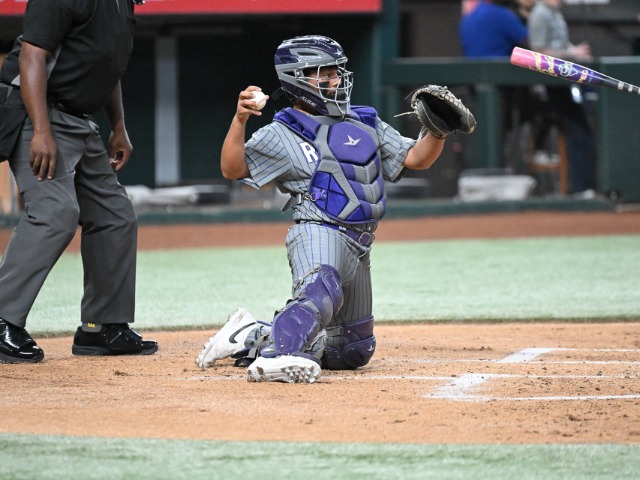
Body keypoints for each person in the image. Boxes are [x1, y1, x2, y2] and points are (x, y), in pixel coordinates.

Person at [196, 35, 473, 383]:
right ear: (297, 78)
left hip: (360, 245)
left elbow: (417, 158)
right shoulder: (282, 131)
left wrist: (438, 131)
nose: (335, 80)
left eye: (337, 72)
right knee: (319, 291)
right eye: (324, 73)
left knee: (351, 350)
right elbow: (232, 168)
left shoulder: (364, 121)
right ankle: (277, 356)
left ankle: (250, 335)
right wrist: (240, 120)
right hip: (318, 230)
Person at [0, 0, 157, 364]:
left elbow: (106, 66)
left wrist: (118, 126)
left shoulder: (122, 4)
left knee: (115, 215)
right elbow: (32, 56)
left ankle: (100, 327)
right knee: (55, 212)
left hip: (79, 120)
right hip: (36, 112)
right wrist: (41, 130)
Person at [528, 0, 597, 195]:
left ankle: (585, 186)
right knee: (578, 131)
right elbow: (538, 51)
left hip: (566, 82)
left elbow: (561, 43)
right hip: (549, 87)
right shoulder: (540, 14)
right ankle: (580, 188)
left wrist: (576, 51)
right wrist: (572, 53)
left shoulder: (555, 13)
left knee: (583, 131)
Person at [459, 0, 528, 58]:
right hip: (498, 67)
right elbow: (527, 41)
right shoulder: (501, 14)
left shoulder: (468, 17)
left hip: (473, 68)